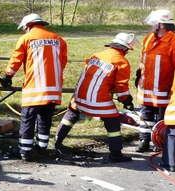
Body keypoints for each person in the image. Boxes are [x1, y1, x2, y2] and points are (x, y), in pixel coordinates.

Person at [54, 33, 137, 163]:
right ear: (125, 49)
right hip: (97, 99)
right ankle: (116, 154)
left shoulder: (97, 55)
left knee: (71, 114)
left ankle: (56, 142)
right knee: (113, 121)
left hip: (78, 96)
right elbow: (121, 86)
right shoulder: (122, 61)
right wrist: (126, 101)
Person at [3, 13, 68, 161]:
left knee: (28, 120)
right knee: (45, 120)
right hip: (54, 90)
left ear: (28, 26)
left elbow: (16, 59)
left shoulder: (26, 38)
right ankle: (41, 149)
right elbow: (62, 62)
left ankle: (25, 151)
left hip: (35, 89)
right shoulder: (58, 39)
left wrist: (8, 76)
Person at [134, 9, 175, 152]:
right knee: (146, 115)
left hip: (164, 87)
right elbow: (144, 59)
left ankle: (159, 142)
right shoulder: (149, 38)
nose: (151, 25)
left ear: (162, 25)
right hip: (147, 87)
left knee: (162, 117)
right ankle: (144, 140)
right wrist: (139, 74)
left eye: (154, 23)